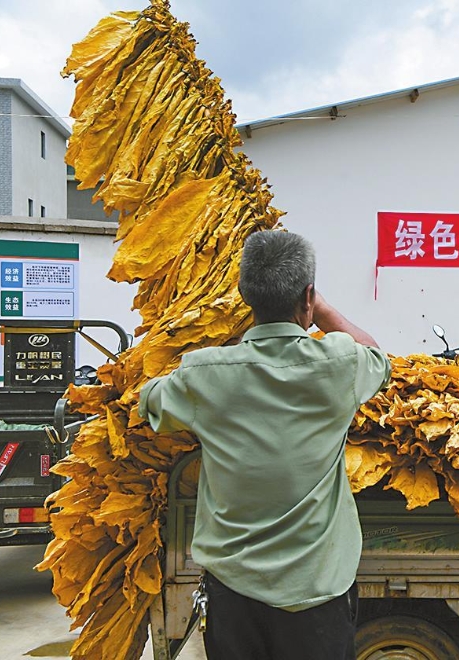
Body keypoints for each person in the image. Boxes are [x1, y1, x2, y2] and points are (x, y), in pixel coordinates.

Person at [139, 230, 392, 660]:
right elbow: (377, 358)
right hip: (318, 591)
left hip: (234, 593)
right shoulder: (338, 364)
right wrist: (322, 309)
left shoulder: (203, 374)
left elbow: (149, 402)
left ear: (244, 295)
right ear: (307, 297)